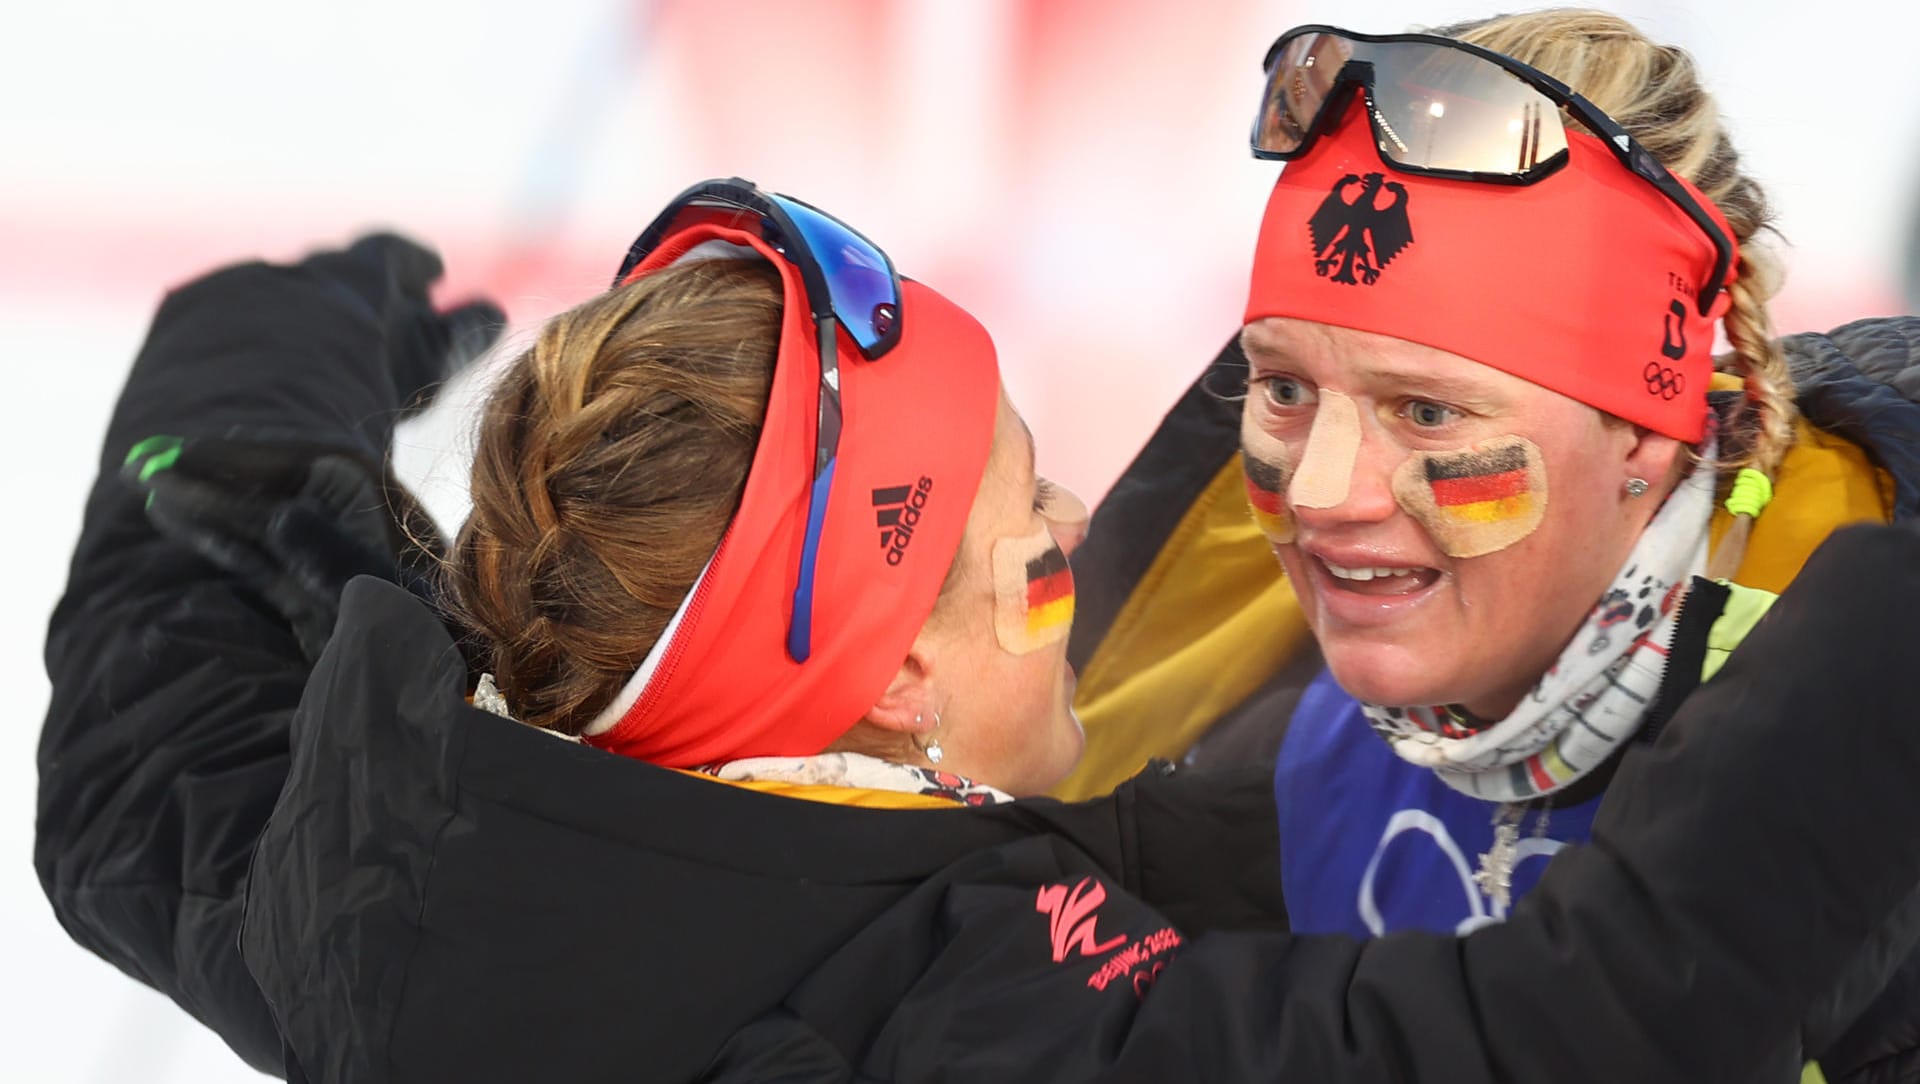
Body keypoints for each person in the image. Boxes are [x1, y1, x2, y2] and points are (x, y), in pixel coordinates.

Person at [33, 178, 1920, 1082]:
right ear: (898, 680)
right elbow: (1581, 1023)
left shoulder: (376, 888)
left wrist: (265, 333)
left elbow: (155, 666)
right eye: (1031, 540)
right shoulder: (960, 1035)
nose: (1084, 540)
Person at [1061, 12, 1920, 1082]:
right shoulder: (1263, 745)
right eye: (1284, 388)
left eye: (1427, 413)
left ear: (1648, 436)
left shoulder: (1875, 761)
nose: (1320, 491)